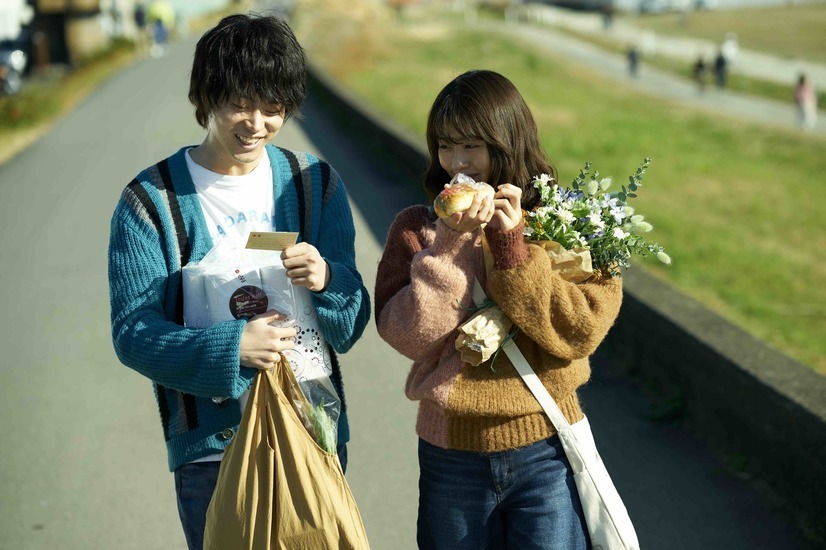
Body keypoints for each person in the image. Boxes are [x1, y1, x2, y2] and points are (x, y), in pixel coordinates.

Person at [107, 13, 370, 550]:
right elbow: (132, 332)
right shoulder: (150, 202)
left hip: (312, 435)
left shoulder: (314, 183)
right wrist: (233, 349)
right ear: (205, 98)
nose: (255, 124)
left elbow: (350, 323)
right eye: (239, 105)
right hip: (212, 454)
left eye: (273, 109)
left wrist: (329, 279)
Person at [374, 70, 623, 549]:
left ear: (508, 141)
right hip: (451, 453)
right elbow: (405, 334)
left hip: (546, 445)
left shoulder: (568, 222)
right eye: (445, 146)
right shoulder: (417, 229)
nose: (457, 163)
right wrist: (449, 243)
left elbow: (580, 331)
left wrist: (513, 251)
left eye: (472, 145)